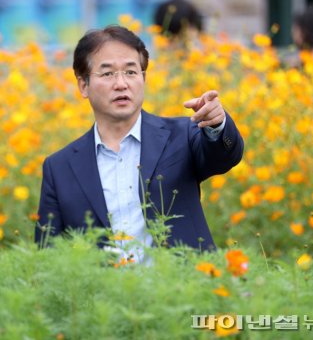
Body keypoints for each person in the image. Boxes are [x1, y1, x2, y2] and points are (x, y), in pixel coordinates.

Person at [35, 25, 244, 262]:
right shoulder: (59, 168)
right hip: (103, 295)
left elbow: (225, 156)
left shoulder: (182, 135)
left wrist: (217, 124)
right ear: (83, 85)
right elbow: (48, 256)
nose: (121, 83)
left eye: (131, 72)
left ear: (143, 78)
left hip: (184, 291)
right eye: (107, 73)